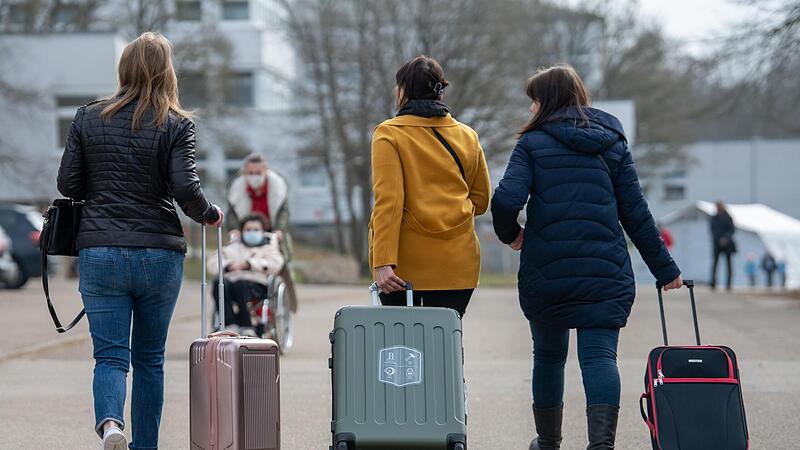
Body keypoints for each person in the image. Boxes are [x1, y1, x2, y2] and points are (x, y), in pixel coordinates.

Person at [490, 64, 682, 450]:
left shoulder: (532, 144)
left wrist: (513, 236)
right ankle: (601, 446)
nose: (530, 110)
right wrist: (665, 269)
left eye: (534, 101)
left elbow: (506, 200)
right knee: (598, 358)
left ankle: (547, 443)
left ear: (547, 102)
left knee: (548, 357)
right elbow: (636, 213)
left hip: (548, 270)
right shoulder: (612, 143)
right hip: (604, 269)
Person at [56, 32, 223, 450]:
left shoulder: (87, 117)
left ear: (124, 69)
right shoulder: (176, 123)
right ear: (168, 71)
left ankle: (111, 424)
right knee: (150, 359)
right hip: (158, 253)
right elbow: (185, 187)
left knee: (110, 356)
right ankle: (145, 446)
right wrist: (209, 214)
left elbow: (68, 182)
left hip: (100, 251)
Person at [369, 55, 491, 317]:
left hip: (402, 267)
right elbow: (481, 200)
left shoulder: (389, 134)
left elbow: (389, 202)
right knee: (445, 345)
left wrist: (382, 261)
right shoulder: (467, 135)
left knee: (403, 348)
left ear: (403, 91)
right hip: (457, 263)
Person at [227, 153, 298, 312]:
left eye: (258, 173)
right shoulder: (237, 190)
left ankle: (285, 307)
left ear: (265, 171)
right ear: (245, 173)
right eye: (250, 173)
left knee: (279, 267)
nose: (254, 177)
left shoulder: (277, 188)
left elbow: (284, 213)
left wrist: (279, 230)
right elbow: (232, 214)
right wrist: (234, 230)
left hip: (271, 235)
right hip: (246, 234)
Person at [207, 214, 285, 334]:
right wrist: (228, 266)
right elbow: (213, 261)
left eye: (256, 230)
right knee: (219, 282)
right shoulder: (233, 247)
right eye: (248, 230)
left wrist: (249, 264)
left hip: (256, 284)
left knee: (240, 284)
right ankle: (230, 324)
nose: (251, 232)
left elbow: (276, 263)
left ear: (263, 232)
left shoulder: (268, 248)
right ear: (241, 232)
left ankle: (246, 325)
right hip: (230, 281)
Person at [710, 201, 736, 291]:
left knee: (728, 265)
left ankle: (728, 284)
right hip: (717, 244)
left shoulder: (728, 217)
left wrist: (725, 238)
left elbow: (732, 230)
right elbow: (712, 230)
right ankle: (713, 283)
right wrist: (717, 240)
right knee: (715, 264)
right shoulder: (714, 218)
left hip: (727, 245)